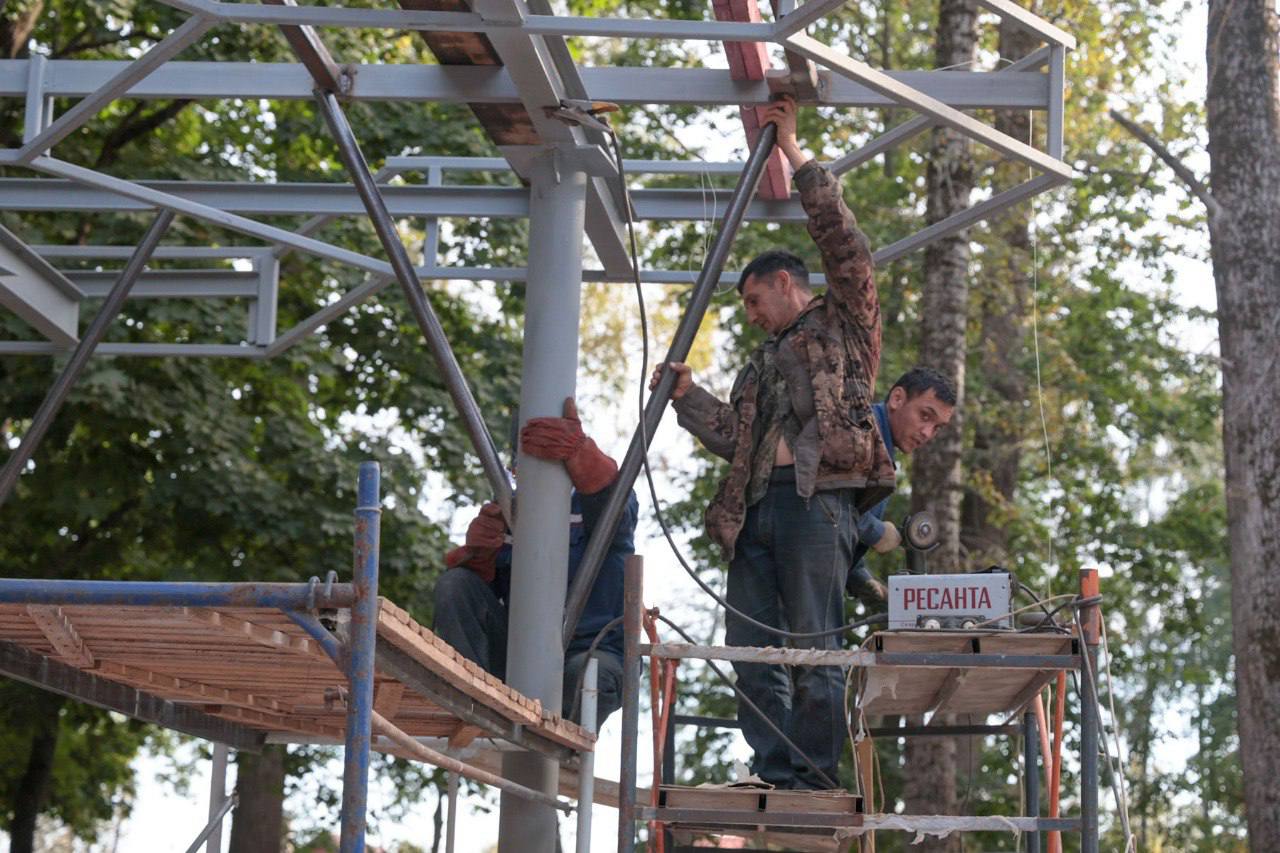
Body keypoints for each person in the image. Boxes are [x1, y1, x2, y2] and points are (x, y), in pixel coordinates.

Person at [649, 96, 898, 789]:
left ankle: (815, 776)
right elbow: (735, 437)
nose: (752, 316)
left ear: (784, 283)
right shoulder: (760, 364)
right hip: (756, 510)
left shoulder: (847, 324)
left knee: (815, 644)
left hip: (818, 506)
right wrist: (685, 395)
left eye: (755, 301)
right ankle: (774, 768)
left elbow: (843, 242)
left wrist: (792, 148)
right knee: (752, 649)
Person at [433, 397, 639, 726]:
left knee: (585, 677)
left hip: (593, 655)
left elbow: (616, 514)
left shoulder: (605, 499)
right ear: (514, 468)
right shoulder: (507, 513)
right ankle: (472, 701)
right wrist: (480, 558)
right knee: (455, 584)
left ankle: (566, 754)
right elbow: (474, 604)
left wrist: (585, 458)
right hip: (518, 657)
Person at [846, 366, 957, 601]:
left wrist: (859, 577)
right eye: (925, 416)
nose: (927, 433)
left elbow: (845, 520)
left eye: (937, 427)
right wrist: (876, 532)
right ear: (897, 398)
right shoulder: (861, 431)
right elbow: (830, 509)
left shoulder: (883, 448)